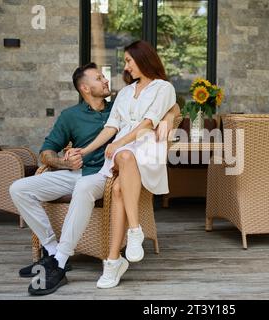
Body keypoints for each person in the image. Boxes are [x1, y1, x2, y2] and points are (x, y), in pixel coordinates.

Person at [9, 61, 179, 296]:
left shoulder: (121, 106)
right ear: (85, 88)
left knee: (84, 188)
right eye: (99, 78)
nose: (106, 80)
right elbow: (46, 152)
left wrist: (170, 115)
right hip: (77, 172)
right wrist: (63, 162)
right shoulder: (70, 116)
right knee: (19, 189)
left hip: (106, 175)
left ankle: (59, 262)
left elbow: (165, 105)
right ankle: (52, 249)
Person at [65, 40, 176, 289]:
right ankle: (114, 260)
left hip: (146, 148)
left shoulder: (163, 88)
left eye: (128, 61)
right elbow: (111, 127)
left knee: (120, 178)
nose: (126, 67)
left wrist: (119, 144)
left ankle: (133, 233)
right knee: (119, 181)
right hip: (124, 150)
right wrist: (87, 149)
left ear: (143, 59)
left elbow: (148, 123)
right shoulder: (125, 93)